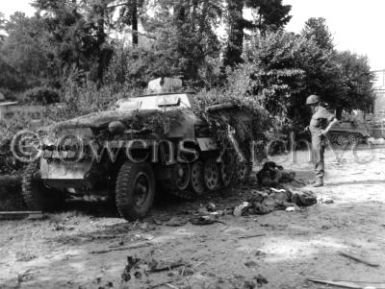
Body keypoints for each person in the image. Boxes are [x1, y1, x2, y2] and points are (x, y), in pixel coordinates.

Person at [306, 95, 338, 187]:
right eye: (309, 105)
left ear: (315, 104)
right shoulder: (316, 112)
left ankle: (319, 180)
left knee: (319, 159)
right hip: (314, 138)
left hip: (319, 139)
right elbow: (317, 123)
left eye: (311, 105)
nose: (310, 107)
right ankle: (317, 179)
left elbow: (335, 120)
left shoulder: (322, 110)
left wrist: (326, 131)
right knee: (315, 158)